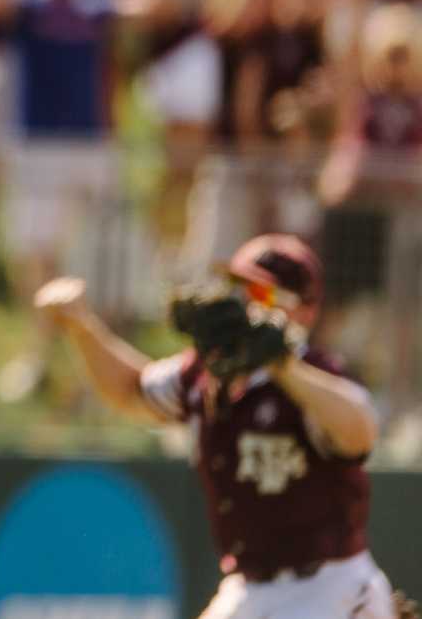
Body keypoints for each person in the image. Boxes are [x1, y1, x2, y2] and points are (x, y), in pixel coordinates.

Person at [37, 236, 402, 619]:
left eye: (262, 292)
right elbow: (131, 392)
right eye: (237, 286)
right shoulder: (204, 373)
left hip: (328, 588)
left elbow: (361, 430)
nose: (245, 301)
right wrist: (81, 326)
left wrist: (280, 363)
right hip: (251, 586)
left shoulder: (314, 377)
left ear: (306, 312)